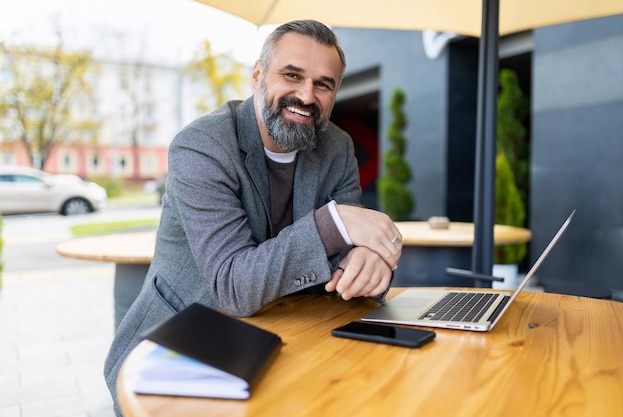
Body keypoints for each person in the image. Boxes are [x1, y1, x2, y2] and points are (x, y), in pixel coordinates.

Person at [104, 19, 402, 414]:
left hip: (291, 340)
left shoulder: (336, 147)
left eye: (323, 84)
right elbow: (234, 285)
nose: (306, 95)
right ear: (258, 75)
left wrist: (369, 262)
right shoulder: (202, 147)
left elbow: (348, 249)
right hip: (181, 348)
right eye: (292, 75)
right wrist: (336, 224)